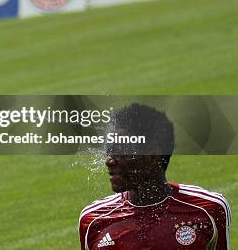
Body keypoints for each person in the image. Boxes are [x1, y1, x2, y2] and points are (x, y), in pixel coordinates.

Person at [78, 103, 231, 250]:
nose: (109, 161)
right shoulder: (93, 220)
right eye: (110, 150)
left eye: (120, 150)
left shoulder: (208, 209)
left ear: (152, 155)